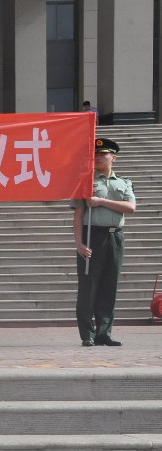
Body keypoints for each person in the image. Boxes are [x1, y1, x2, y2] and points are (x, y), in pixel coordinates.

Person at [73, 136, 136, 347]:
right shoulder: (85, 181)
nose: (98, 157)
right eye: (96, 154)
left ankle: (104, 333)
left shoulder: (124, 183)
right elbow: (78, 215)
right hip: (93, 236)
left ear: (113, 158)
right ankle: (87, 334)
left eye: (103, 154)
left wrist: (101, 201)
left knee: (110, 286)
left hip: (115, 236)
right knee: (88, 287)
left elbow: (130, 207)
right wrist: (79, 244)